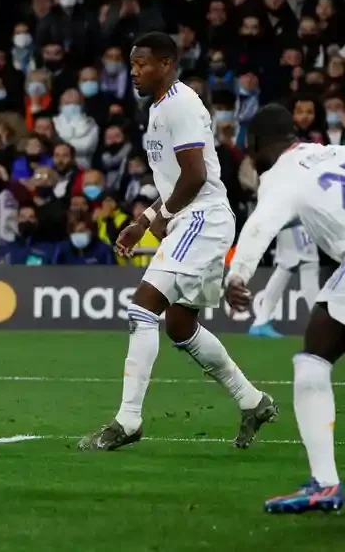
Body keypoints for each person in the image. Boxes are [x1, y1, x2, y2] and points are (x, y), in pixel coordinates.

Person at [79, 33, 275, 451]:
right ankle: (252, 401)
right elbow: (175, 181)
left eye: (142, 64)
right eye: (132, 64)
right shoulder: (159, 108)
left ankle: (128, 420)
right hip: (197, 218)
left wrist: (163, 217)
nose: (134, 72)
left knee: (142, 307)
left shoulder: (181, 105)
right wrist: (144, 220)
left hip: (201, 218)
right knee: (181, 326)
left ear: (167, 64)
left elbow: (195, 177)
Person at [225, 105, 345, 513]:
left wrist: (237, 276)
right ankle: (325, 485)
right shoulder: (331, 152)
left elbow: (260, 225)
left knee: (313, 362)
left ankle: (325, 485)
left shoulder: (281, 174)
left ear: (256, 143)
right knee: (317, 349)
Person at [248, 222, 318, 338]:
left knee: (287, 269)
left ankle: (261, 321)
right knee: (304, 266)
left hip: (296, 224)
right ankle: (321, 325)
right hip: (297, 225)